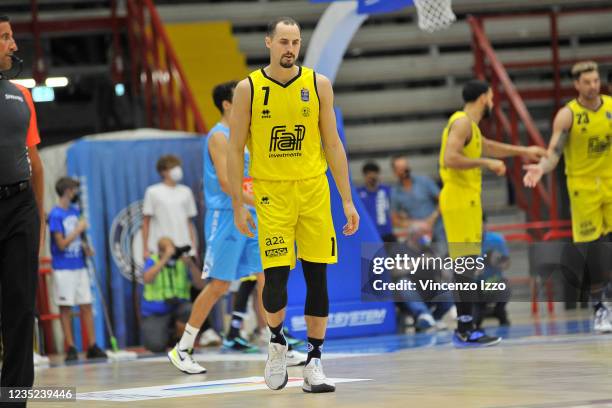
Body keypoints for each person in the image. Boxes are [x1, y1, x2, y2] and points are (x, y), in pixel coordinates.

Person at [227, 17, 359, 393]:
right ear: (268, 42)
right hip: (272, 194)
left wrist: (347, 199)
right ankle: (276, 340)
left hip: (314, 191)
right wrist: (238, 203)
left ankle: (315, 360)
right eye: (283, 41)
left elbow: (333, 145)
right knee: (276, 279)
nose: (289, 48)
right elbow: (236, 150)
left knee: (318, 277)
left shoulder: (318, 85)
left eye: (295, 42)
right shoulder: (248, 89)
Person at [168, 81, 266, 374]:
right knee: (219, 285)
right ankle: (182, 347)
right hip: (225, 215)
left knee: (267, 275)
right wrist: (263, 201)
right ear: (227, 104)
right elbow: (227, 183)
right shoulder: (219, 137)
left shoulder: (245, 136)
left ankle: (278, 342)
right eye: (240, 97)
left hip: (250, 213)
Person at [439, 79, 546, 347]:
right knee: (464, 266)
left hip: (468, 200)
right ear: (484, 97)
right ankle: (465, 329)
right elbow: (449, 159)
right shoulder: (462, 121)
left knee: (468, 266)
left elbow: (488, 146)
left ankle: (468, 327)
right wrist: (486, 163)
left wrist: (523, 152)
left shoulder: (470, 127)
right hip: (458, 198)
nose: (493, 102)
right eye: (492, 97)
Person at [524, 61, 612, 333]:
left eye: (595, 80)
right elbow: (554, 153)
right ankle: (600, 308)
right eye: (586, 82)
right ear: (576, 85)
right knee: (593, 250)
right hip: (582, 187)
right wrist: (541, 167)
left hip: (610, 182)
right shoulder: (568, 115)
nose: (592, 85)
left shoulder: (610, 107)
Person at [0, 15, 45, 400]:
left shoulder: (21, 94)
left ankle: (14, 395)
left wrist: (39, 216)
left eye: (11, 36)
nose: (13, 45)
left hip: (20, 206)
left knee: (20, 305)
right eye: (4, 38)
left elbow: (35, 159)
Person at [48, 177, 107, 362]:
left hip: (79, 265)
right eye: (74, 189)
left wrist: (86, 247)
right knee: (66, 307)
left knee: (86, 304)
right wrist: (77, 230)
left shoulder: (76, 211)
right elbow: (61, 244)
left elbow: (80, 238)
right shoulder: (56, 215)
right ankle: (71, 346)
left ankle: (92, 345)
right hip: (64, 267)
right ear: (67, 191)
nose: (76, 193)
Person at [140, 237, 204, 353]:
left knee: (190, 309)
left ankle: (180, 340)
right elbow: (147, 279)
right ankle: (168, 337)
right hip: (156, 312)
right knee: (156, 346)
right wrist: (164, 259)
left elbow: (200, 285)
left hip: (178, 308)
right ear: (160, 251)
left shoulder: (182, 263)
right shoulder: (153, 261)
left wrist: (191, 265)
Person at [142, 154, 198, 260]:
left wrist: (194, 247)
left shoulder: (186, 191)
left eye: (177, 167)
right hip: (162, 248)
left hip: (185, 247)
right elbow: (146, 222)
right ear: (163, 171)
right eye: (172, 168)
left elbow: (189, 223)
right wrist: (145, 249)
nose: (177, 170)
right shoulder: (152, 192)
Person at [390, 155, 445, 254]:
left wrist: (432, 218)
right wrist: (414, 223)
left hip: (438, 228)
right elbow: (394, 219)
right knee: (424, 265)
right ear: (395, 172)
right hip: (418, 234)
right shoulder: (395, 192)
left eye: (406, 167)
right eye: (401, 168)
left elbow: (443, 200)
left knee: (444, 259)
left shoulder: (424, 181)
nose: (405, 170)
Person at [357, 162, 395, 242]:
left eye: (374, 175)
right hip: (368, 234)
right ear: (364, 176)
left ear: (378, 175)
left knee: (394, 254)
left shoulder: (387, 190)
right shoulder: (358, 193)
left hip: (386, 234)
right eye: (369, 175)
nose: (372, 178)